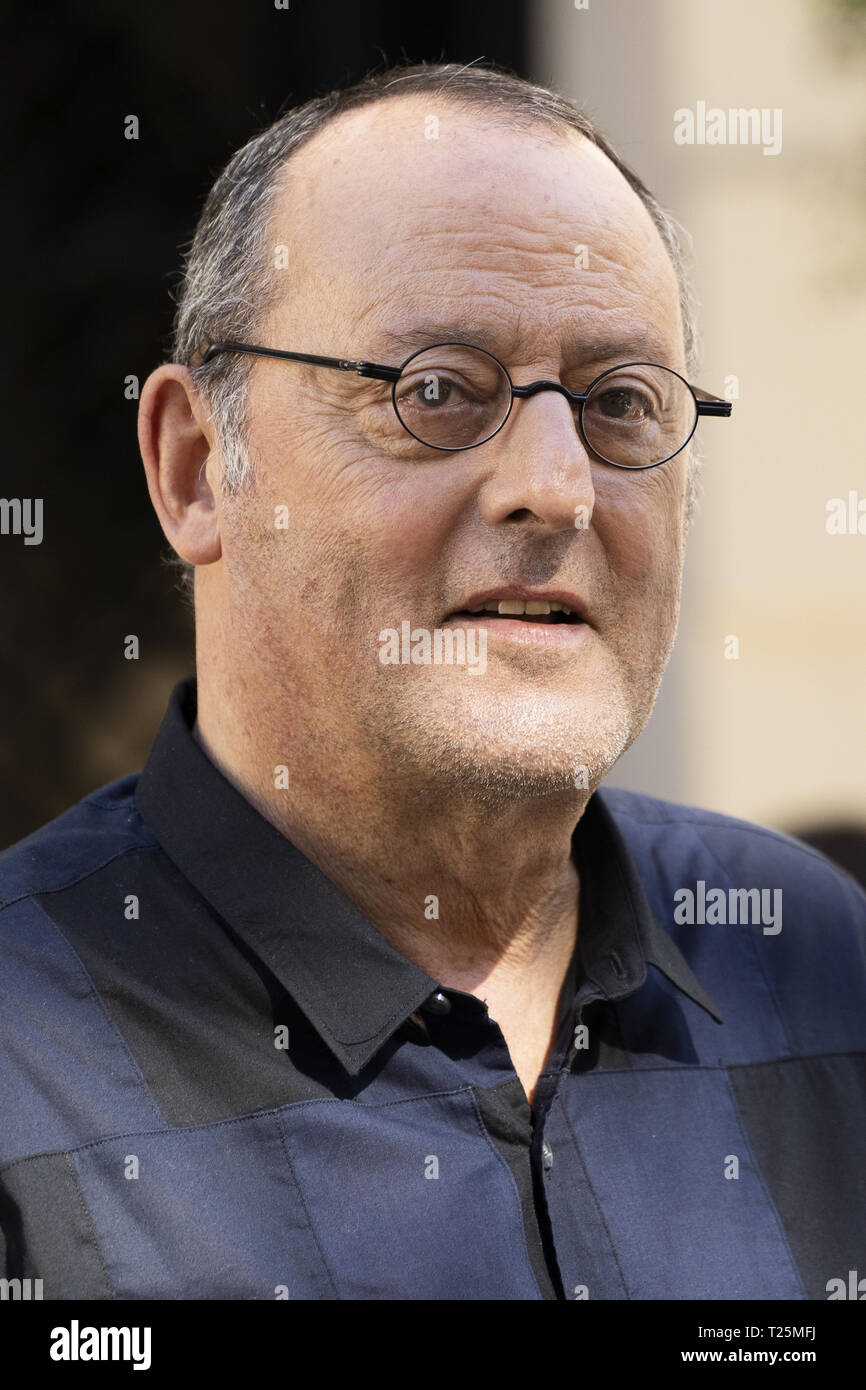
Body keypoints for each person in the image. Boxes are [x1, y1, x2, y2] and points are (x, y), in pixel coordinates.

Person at [2, 62, 863, 1302]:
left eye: (620, 403)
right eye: (439, 392)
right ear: (197, 470)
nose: (557, 486)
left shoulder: (806, 955)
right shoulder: (24, 1054)